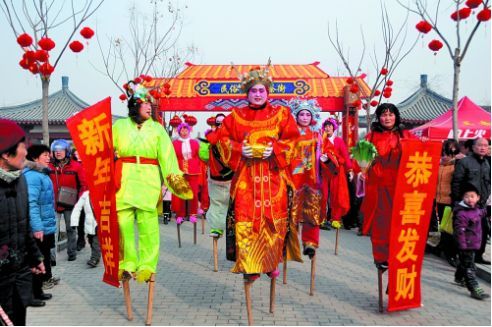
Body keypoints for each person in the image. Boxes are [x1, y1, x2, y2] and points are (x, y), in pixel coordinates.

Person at [215, 63, 300, 279]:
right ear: (247, 93)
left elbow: (294, 140)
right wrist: (238, 149)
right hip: (247, 178)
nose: (258, 94)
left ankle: (271, 262)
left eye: (261, 90)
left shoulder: (282, 114)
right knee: (247, 218)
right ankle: (250, 264)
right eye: (254, 90)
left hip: (273, 177)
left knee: (272, 220)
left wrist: (275, 149)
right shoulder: (235, 116)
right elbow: (220, 141)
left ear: (267, 92)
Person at [114, 80, 192, 282]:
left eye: (150, 103)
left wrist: (176, 182)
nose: (149, 106)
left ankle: (147, 264)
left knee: (148, 224)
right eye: (144, 102)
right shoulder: (119, 126)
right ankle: (127, 263)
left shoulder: (157, 129)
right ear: (133, 105)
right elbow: (104, 152)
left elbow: (167, 158)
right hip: (123, 178)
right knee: (122, 223)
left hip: (148, 178)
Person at [360, 103, 416, 270]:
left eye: (391, 114)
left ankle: (399, 263)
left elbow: (418, 153)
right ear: (379, 118)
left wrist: (424, 144)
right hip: (378, 187)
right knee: (381, 224)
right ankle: (381, 257)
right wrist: (364, 163)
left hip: (401, 187)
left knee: (400, 226)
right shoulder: (370, 137)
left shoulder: (406, 135)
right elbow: (361, 164)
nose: (387, 118)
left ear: (396, 116)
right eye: (384, 115)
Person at [0, 119, 45, 325]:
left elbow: (24, 224)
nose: (26, 153)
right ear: (5, 154)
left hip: (19, 276)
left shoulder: (20, 180)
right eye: (21, 147)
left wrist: (35, 257)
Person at [288, 98, 323, 258]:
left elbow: (326, 153)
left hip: (311, 180)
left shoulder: (317, 135)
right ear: (296, 116)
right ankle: (289, 243)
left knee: (312, 212)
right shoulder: (290, 134)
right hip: (293, 179)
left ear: (312, 117)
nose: (304, 117)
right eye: (301, 114)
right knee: (291, 213)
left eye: (307, 115)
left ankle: (310, 242)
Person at [24, 145, 58, 306]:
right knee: (36, 260)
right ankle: (32, 295)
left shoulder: (42, 174)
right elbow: (31, 204)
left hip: (45, 225)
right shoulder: (33, 177)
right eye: (45, 155)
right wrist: (37, 227)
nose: (49, 157)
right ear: (35, 158)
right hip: (39, 228)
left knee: (41, 259)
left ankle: (38, 291)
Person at [452, 137, 491, 265]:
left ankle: (477, 256)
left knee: (482, 231)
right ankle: (462, 260)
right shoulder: (465, 162)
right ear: (473, 147)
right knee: (464, 234)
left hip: (480, 205)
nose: (483, 148)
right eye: (480, 145)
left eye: (486, 145)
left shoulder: (487, 163)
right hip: (466, 205)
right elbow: (456, 183)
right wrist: (458, 203)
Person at [48, 139, 87, 261]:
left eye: (61, 150)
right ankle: (52, 257)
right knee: (53, 230)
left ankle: (72, 253)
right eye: (55, 150)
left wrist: (79, 200)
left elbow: (84, 185)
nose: (58, 152)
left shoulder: (76, 166)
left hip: (71, 203)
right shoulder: (48, 167)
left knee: (71, 229)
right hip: (53, 203)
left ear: (67, 151)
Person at [453, 183, 489, 300]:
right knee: (470, 266)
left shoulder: (477, 210)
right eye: (466, 196)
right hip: (465, 245)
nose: (469, 199)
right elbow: (459, 231)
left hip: (473, 244)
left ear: (478, 197)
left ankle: (459, 277)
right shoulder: (462, 213)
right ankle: (474, 288)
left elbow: (483, 212)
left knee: (465, 263)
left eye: (472, 196)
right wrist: (462, 245)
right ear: (463, 198)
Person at [200, 114, 233, 238]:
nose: (220, 126)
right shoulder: (209, 138)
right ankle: (216, 227)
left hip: (232, 177)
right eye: (218, 123)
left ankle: (231, 226)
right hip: (215, 177)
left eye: (223, 123)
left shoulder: (233, 137)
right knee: (216, 203)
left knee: (232, 203)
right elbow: (203, 154)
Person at [430, 139, 462, 266]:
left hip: (449, 200)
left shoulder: (458, 164)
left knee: (448, 228)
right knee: (440, 226)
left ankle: (450, 253)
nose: (447, 154)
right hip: (437, 200)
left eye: (452, 149)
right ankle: (441, 246)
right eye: (446, 150)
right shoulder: (438, 164)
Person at [319, 117, 353, 230]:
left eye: (330, 126)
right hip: (324, 172)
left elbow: (346, 157)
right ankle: (322, 218)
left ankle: (335, 219)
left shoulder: (338, 141)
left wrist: (350, 170)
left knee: (336, 196)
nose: (327, 128)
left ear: (334, 127)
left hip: (337, 172)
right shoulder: (321, 141)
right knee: (323, 195)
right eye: (326, 126)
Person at [171, 122, 202, 225]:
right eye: (182, 130)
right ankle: (180, 214)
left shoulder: (194, 143)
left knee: (193, 193)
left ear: (189, 131)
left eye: (186, 130)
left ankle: (192, 213)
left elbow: (199, 156)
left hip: (193, 171)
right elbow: (172, 157)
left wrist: (197, 166)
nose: (184, 132)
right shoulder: (175, 144)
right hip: (180, 171)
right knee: (181, 193)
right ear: (179, 131)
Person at [70, 191, 100, 267]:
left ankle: (95, 258)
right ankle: (96, 255)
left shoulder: (102, 191)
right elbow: (77, 207)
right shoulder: (86, 194)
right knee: (91, 240)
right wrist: (74, 222)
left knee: (95, 242)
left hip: (99, 222)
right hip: (89, 224)